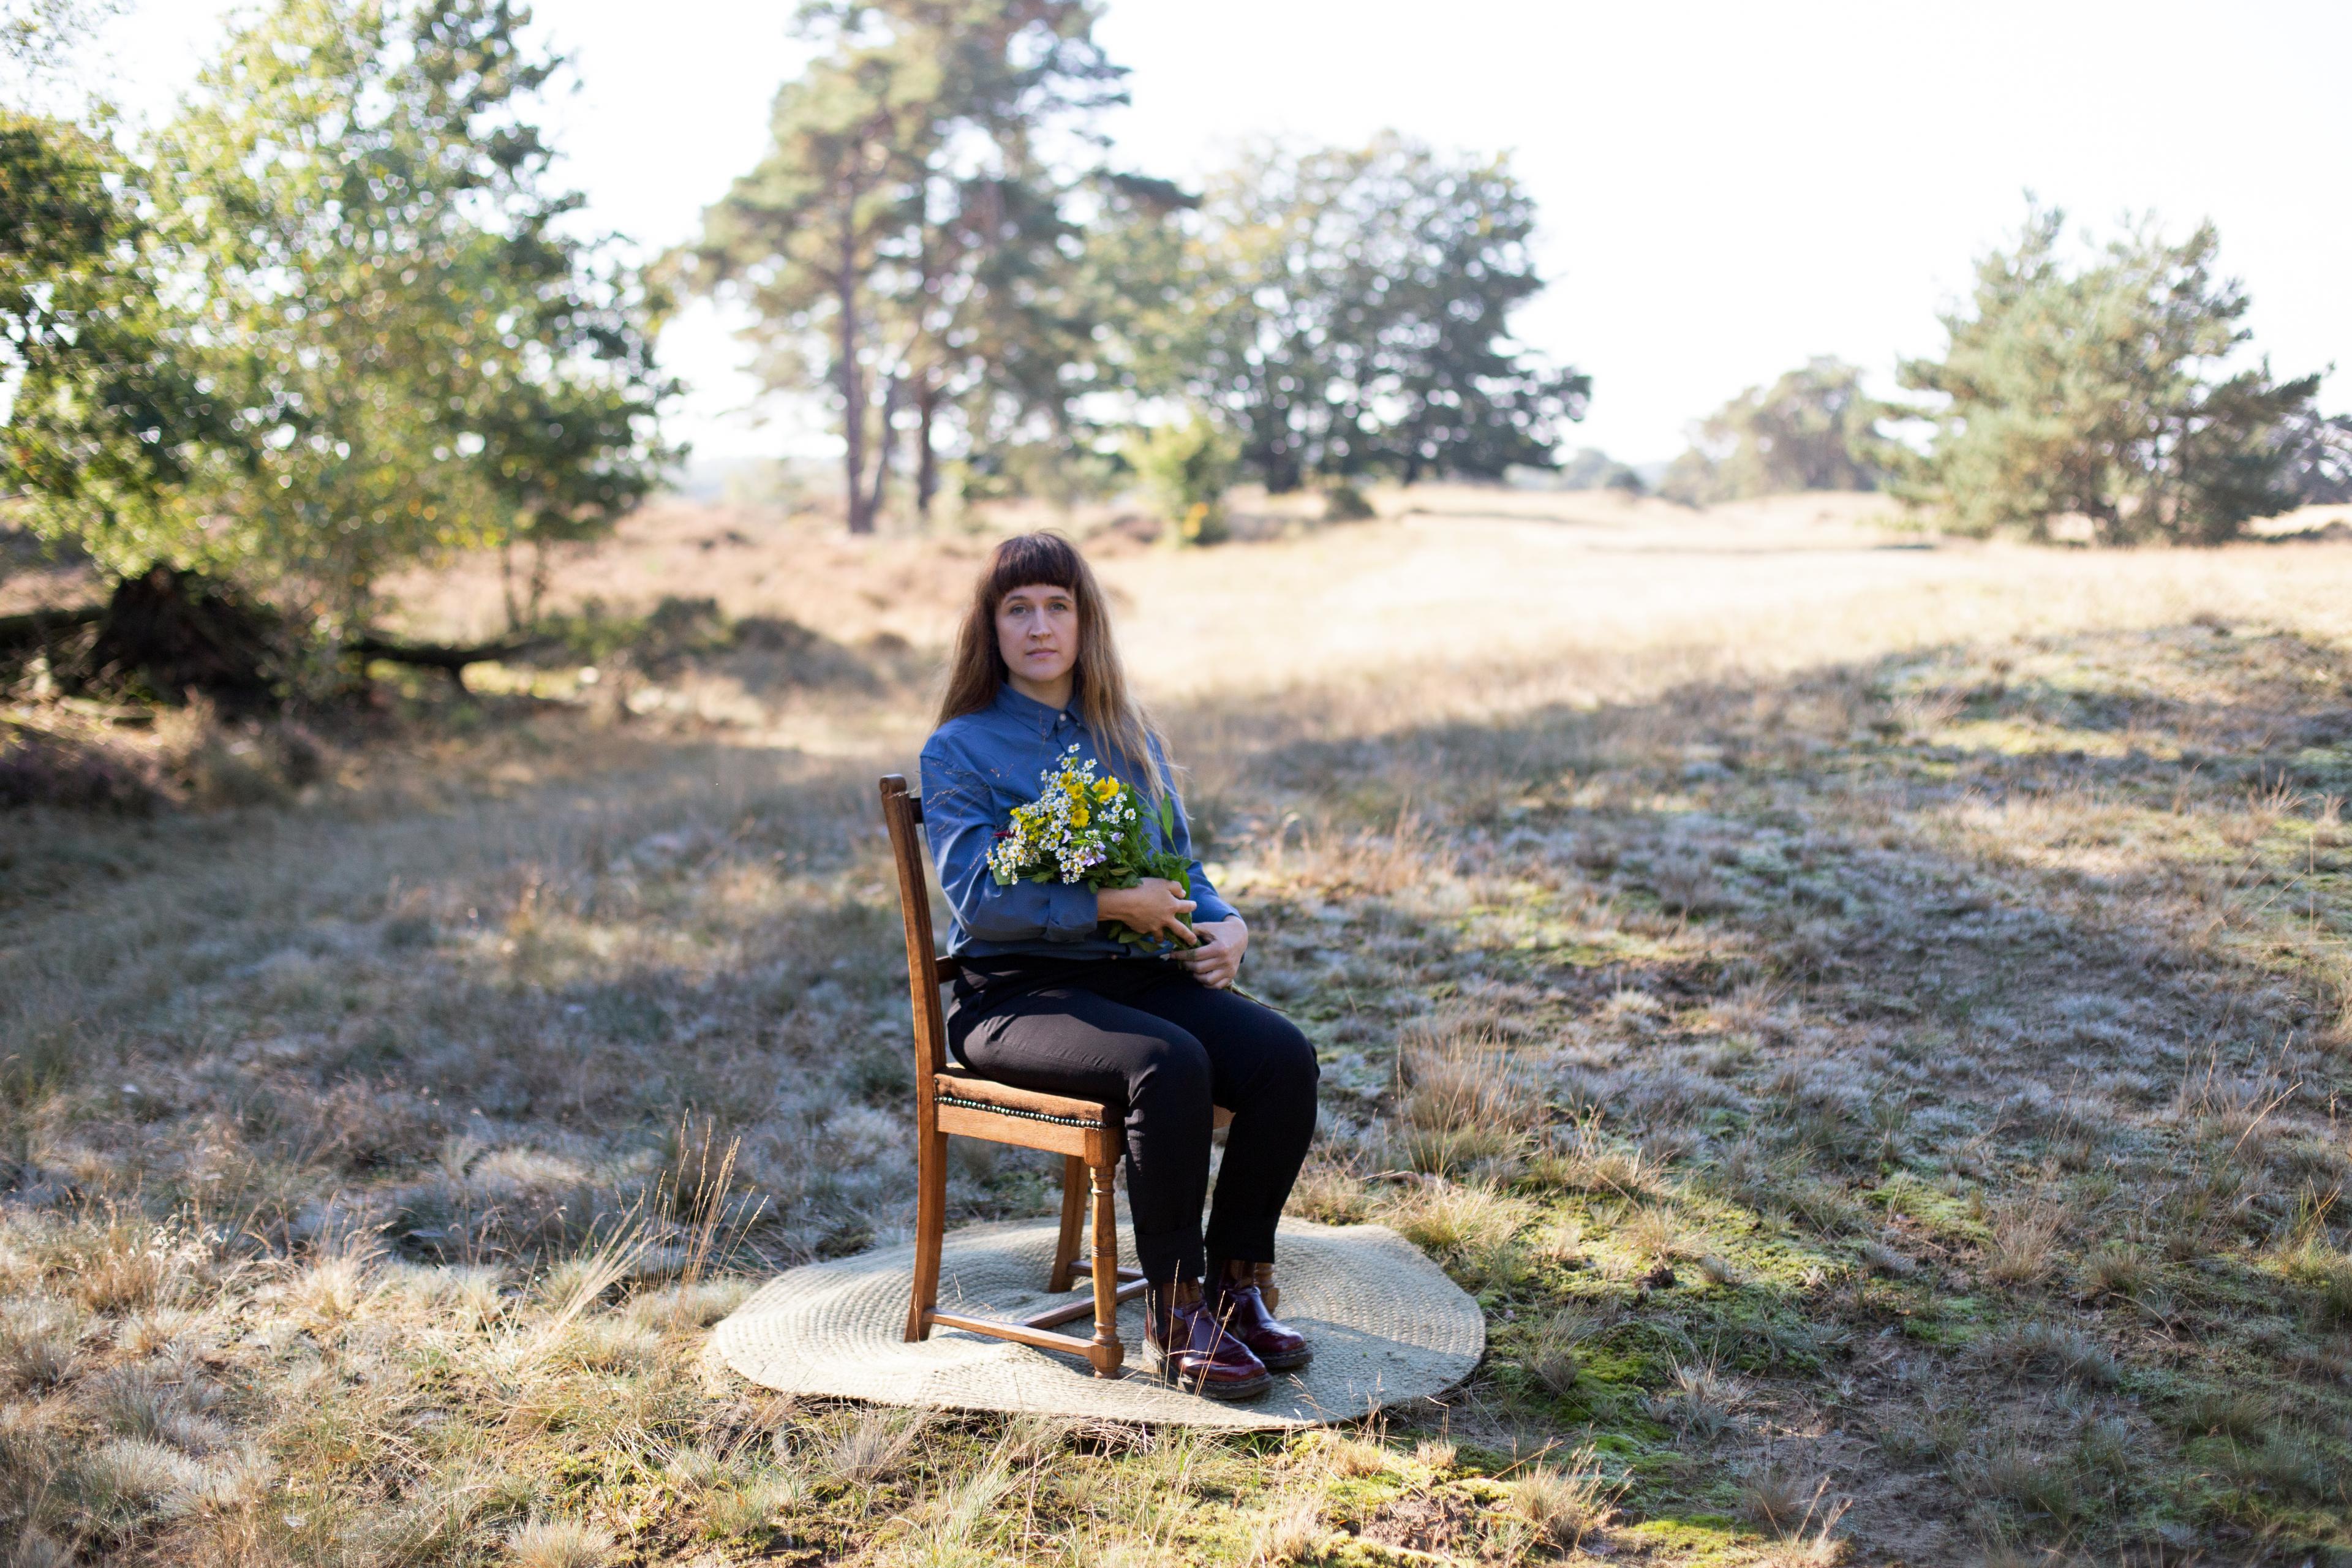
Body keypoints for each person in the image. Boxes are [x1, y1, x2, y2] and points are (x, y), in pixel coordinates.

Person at [918, 530, 1320, 1400]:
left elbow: (1182, 863)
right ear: (990, 627)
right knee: (1166, 1065)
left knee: (1282, 1057)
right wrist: (1105, 905)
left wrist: (1227, 923)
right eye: (1016, 608)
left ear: (1084, 620)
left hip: (1138, 977)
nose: (1038, 626)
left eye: (1057, 605)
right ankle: (1175, 1319)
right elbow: (978, 901)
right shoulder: (960, 748)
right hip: (1018, 998)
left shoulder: (1129, 735)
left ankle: (1238, 1290)